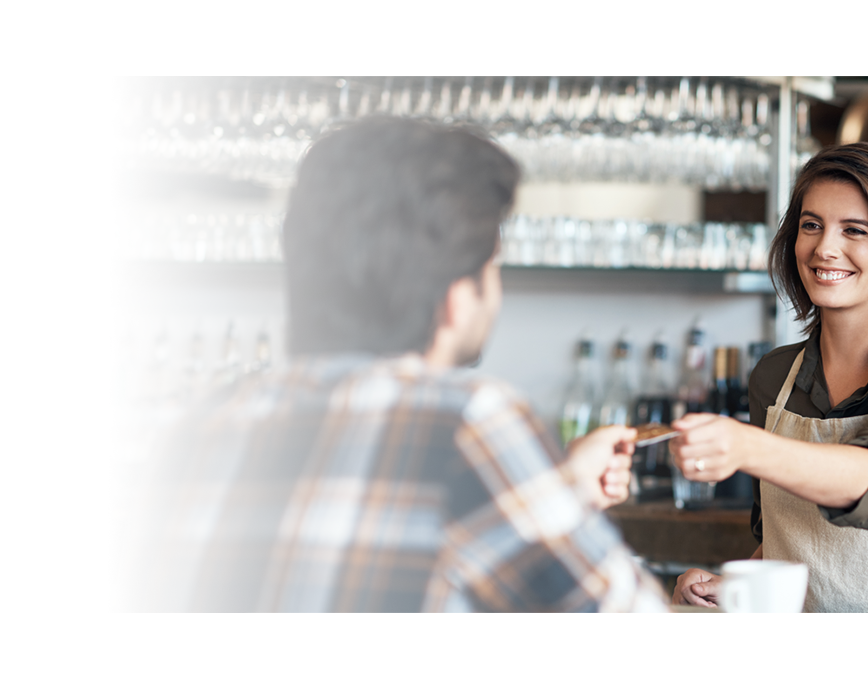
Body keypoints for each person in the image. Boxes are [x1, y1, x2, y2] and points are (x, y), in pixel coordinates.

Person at [134, 116, 668, 612]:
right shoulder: (468, 423)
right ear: (458, 296)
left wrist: (561, 488)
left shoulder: (205, 422)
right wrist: (556, 491)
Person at [668, 142, 868, 613]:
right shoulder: (773, 378)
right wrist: (727, 586)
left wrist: (743, 446)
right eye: (811, 225)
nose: (824, 248)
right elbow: (790, 543)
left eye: (854, 230)